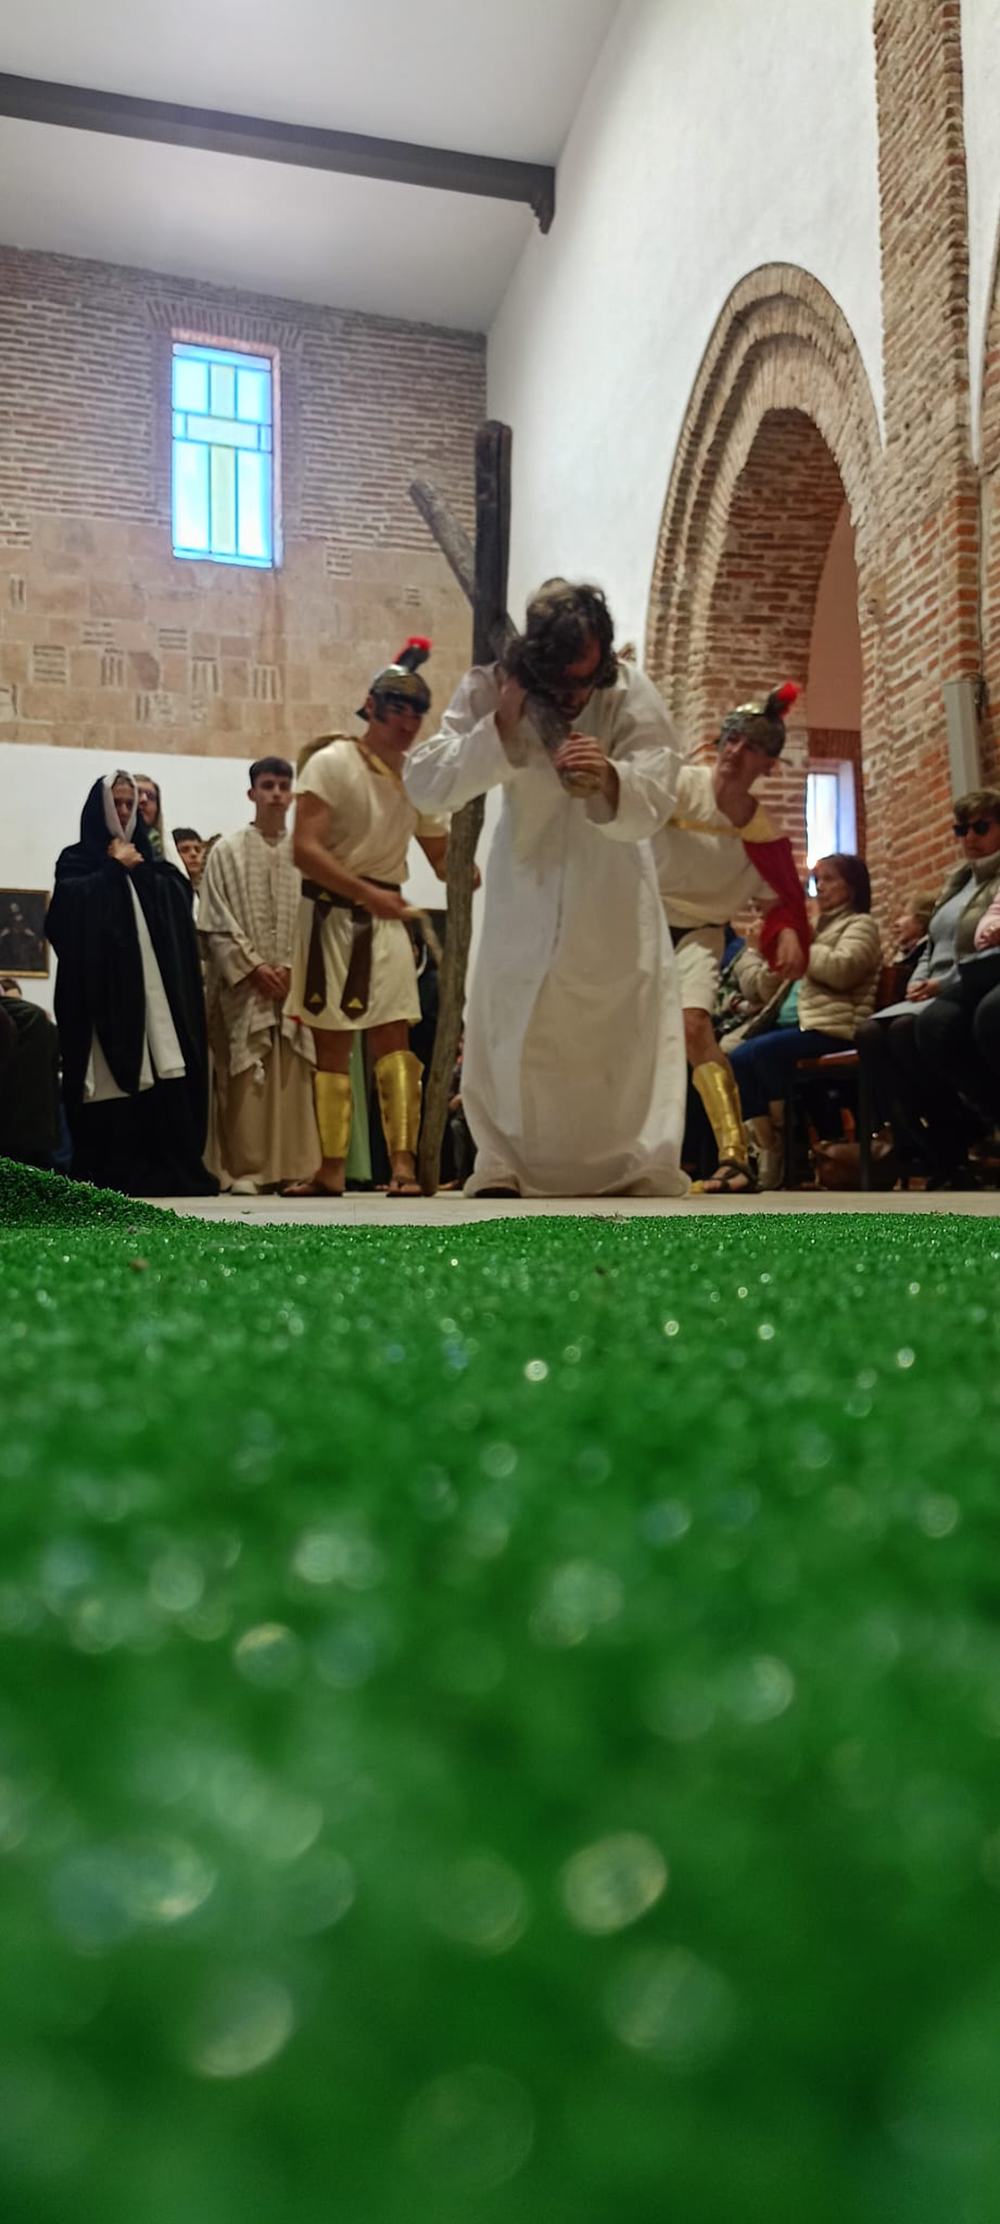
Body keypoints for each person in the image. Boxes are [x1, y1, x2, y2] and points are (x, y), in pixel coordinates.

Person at [403, 579, 689, 1198]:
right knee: (513, 1018)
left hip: (611, 882)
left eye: (584, 681)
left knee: (620, 1025)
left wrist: (611, 775)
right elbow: (425, 783)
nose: (573, 696)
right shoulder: (492, 685)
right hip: (524, 879)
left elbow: (662, 783)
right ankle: (506, 1163)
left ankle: (634, 1161)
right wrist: (501, 728)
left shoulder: (628, 689)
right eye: (560, 684)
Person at [286, 639, 449, 1198]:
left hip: (384, 920)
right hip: (330, 915)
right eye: (396, 707)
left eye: (416, 711)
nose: (407, 720)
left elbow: (445, 859)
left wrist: (483, 867)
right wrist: (366, 894)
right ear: (372, 706)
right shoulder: (332, 763)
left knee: (394, 1040)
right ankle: (331, 1170)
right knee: (331, 1047)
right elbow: (304, 848)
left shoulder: (421, 779)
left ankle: (401, 1166)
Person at [652, 682, 810, 1194]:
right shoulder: (677, 785)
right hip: (639, 922)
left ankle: (734, 1156)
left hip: (700, 932)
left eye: (753, 747)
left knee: (696, 1028)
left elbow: (778, 903)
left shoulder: (760, 835)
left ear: (769, 765)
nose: (736, 752)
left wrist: (785, 934)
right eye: (733, 739)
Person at [46, 771, 216, 1196]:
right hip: (102, 999)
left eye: (130, 804)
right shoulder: (76, 861)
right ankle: (107, 1175)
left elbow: (178, 899)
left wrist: (139, 872)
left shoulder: (154, 866)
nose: (125, 812)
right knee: (104, 1082)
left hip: (155, 998)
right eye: (116, 804)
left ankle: (168, 1170)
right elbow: (62, 919)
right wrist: (111, 870)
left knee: (164, 1072)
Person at [855, 792, 1000, 1177]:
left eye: (981, 827)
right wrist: (918, 982)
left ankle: (957, 1131)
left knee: (909, 1030)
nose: (969, 836)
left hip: (968, 980)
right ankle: (920, 1140)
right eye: (961, 829)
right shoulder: (958, 881)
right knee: (869, 1033)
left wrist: (940, 985)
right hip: (933, 985)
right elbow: (930, 945)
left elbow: (980, 951)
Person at [198, 758, 319, 1194]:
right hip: (244, 986)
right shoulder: (226, 852)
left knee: (292, 1073)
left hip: (293, 986)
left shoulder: (306, 853)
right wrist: (253, 967)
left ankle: (295, 1167)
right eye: (267, 785)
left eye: (283, 786)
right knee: (247, 1076)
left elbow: (315, 920)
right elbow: (214, 918)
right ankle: (246, 1169)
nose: (275, 794)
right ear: (251, 793)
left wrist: (291, 967)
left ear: (292, 795)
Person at [726, 854, 881, 1183]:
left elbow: (843, 969)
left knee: (761, 1054)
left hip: (833, 1026)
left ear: (851, 887)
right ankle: (768, 1148)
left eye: (828, 879)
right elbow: (769, 992)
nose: (820, 888)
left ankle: (787, 1147)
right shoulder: (813, 929)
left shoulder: (860, 924)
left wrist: (804, 944)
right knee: (738, 1056)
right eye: (816, 881)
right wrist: (773, 956)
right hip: (796, 1025)